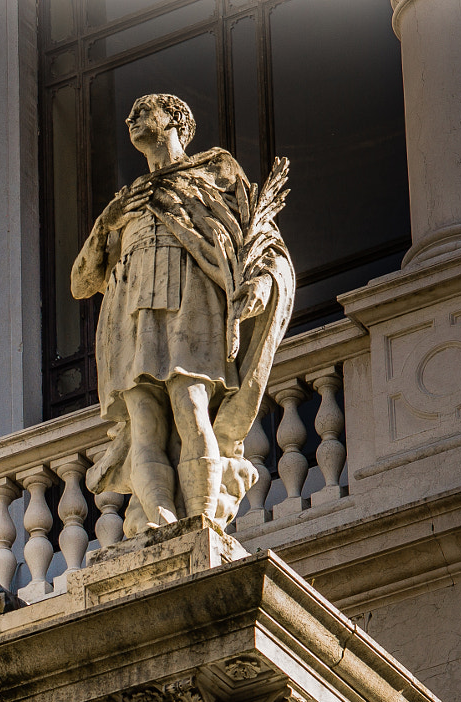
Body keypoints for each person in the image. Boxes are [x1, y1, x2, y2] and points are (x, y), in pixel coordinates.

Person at [75, 93, 293, 534]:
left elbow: (264, 244)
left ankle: (200, 521)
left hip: (189, 309)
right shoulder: (127, 200)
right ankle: (160, 518)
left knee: (191, 407)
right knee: (145, 425)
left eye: (142, 111)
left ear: (174, 118)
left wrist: (261, 284)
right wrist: (105, 224)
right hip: (132, 316)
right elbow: (82, 283)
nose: (129, 118)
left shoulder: (213, 174)